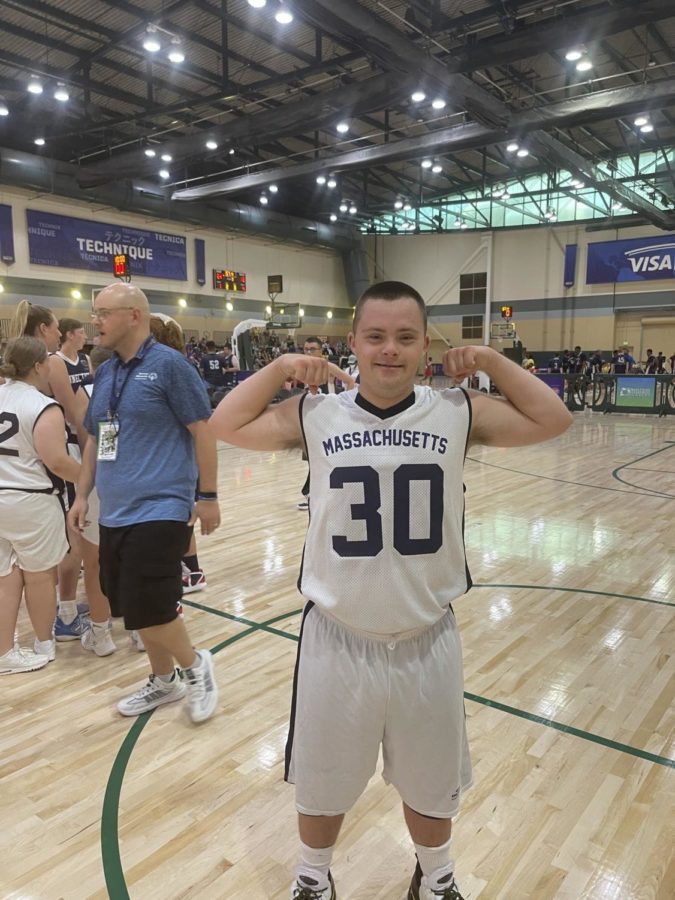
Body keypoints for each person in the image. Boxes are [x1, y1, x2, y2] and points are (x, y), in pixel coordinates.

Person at [209, 280, 572, 900]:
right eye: (375, 336)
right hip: (336, 635)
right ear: (353, 342)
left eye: (405, 337)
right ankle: (312, 877)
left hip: (425, 636)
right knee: (323, 777)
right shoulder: (316, 413)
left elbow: (553, 417)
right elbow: (224, 424)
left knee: (432, 781)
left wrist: (487, 359)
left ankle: (436, 878)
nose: (389, 350)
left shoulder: (456, 411)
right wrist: (277, 367)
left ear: (426, 345)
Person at [68, 283, 221, 723]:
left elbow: (202, 430)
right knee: (130, 607)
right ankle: (164, 680)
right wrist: (81, 494)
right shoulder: (108, 373)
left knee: (149, 603)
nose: (93, 321)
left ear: (134, 315)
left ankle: (195, 667)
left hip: (163, 505)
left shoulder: (171, 367)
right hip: (115, 509)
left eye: (102, 313)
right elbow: (96, 437)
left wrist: (207, 496)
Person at [0, 337, 81, 674]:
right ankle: (44, 643)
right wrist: (91, 476)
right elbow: (58, 462)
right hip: (30, 499)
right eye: (47, 362)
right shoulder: (43, 405)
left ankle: (5, 652)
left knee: (5, 578)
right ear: (37, 366)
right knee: (38, 577)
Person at [11, 301, 90, 641]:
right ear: (43, 330)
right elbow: (77, 416)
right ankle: (65, 614)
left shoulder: (13, 372)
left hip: (18, 469)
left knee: (22, 564)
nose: (59, 331)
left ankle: (53, 616)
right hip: (53, 459)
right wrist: (91, 464)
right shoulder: (51, 365)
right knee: (72, 538)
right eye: (56, 326)